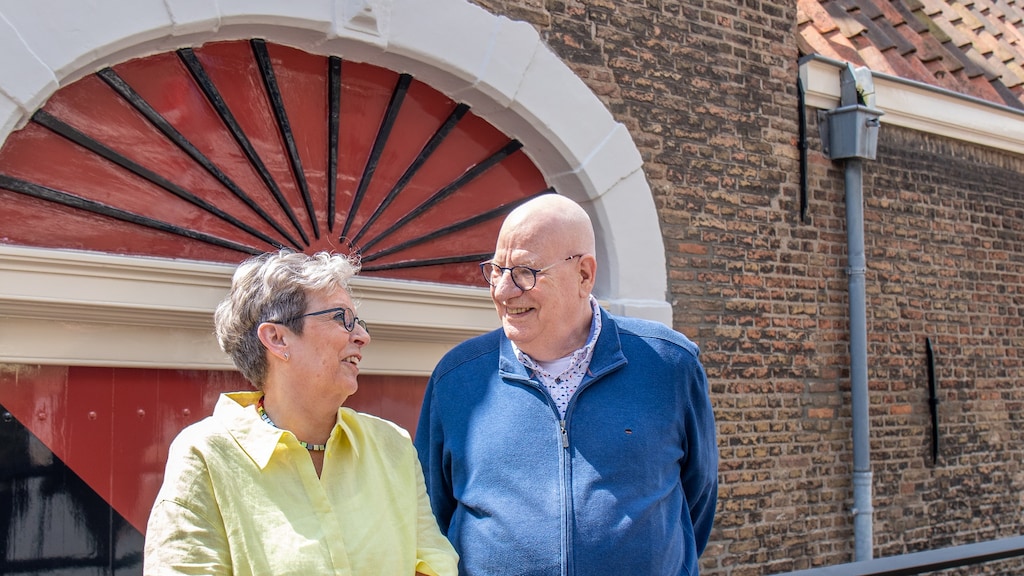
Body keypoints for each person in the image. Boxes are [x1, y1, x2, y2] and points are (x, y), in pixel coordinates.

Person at [415, 193, 718, 575]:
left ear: (584, 275)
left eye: (525, 272)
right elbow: (431, 514)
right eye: (496, 270)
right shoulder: (456, 378)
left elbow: (698, 497)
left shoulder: (669, 364)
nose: (503, 291)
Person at [144, 249, 458, 576]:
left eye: (359, 322)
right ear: (278, 338)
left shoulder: (391, 445)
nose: (363, 336)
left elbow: (434, 565)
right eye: (341, 318)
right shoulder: (206, 456)